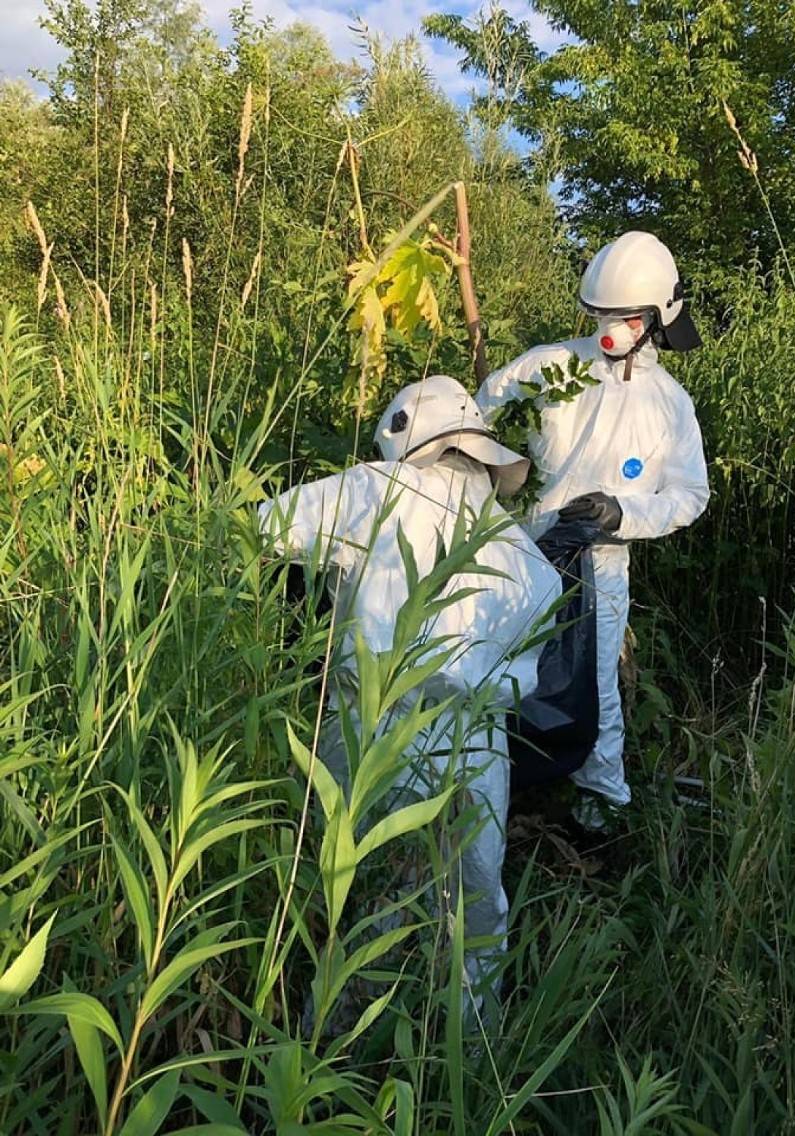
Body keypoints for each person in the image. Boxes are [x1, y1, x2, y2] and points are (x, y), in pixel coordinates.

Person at [258, 373, 561, 1008]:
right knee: (473, 899)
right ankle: (469, 1054)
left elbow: (265, 527)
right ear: (481, 455)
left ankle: (334, 1042)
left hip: (371, 720)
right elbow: (526, 668)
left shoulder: (372, 489)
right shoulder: (521, 552)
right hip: (478, 740)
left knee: (356, 889)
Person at [476, 231, 710, 827]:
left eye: (627, 317)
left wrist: (623, 514)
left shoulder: (669, 404)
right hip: (520, 549)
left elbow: (690, 495)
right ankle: (492, 782)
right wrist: (496, 483)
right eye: (603, 316)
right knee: (498, 668)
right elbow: (482, 412)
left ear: (658, 320)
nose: (612, 329)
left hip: (601, 564)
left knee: (594, 681)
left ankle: (599, 803)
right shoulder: (551, 367)